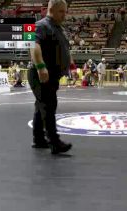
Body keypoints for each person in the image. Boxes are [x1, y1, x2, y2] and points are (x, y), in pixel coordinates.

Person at [28, 0, 72, 154]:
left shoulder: (57, 28)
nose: (64, 15)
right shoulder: (41, 25)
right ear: (51, 9)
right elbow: (34, 45)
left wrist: (69, 62)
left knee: (41, 106)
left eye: (65, 12)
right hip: (40, 73)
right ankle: (54, 142)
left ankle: (39, 139)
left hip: (51, 74)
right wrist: (41, 67)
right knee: (49, 105)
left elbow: (62, 47)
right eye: (61, 12)